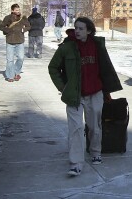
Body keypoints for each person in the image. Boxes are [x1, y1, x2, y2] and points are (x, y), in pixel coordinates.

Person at [48, 17, 122, 177]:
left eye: (81, 28)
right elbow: (53, 67)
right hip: (75, 96)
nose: (78, 31)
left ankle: (95, 152)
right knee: (75, 129)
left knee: (94, 126)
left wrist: (107, 90)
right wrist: (63, 87)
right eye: (76, 28)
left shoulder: (97, 46)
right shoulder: (66, 47)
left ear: (89, 30)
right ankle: (76, 163)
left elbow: (105, 69)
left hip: (95, 93)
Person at [0, 3, 30, 82]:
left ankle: (16, 72)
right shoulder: (7, 18)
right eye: (16, 10)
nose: (18, 11)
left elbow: (29, 26)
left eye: (19, 10)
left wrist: (24, 30)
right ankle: (10, 76)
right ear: (12, 10)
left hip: (20, 41)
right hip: (10, 41)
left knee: (21, 58)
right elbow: (1, 27)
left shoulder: (23, 18)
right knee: (10, 60)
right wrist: (8, 30)